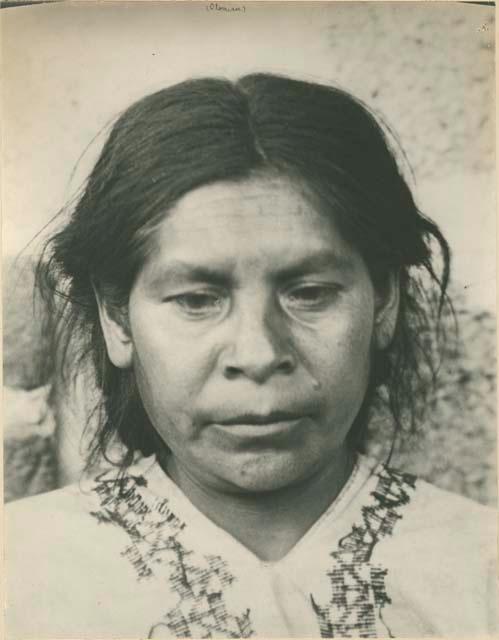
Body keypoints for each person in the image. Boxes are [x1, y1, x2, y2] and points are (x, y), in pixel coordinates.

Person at [5, 73, 497, 638]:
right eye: (196, 300)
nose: (259, 354)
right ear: (117, 318)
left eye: (309, 294)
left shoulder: (480, 574)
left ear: (383, 301)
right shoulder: (21, 577)